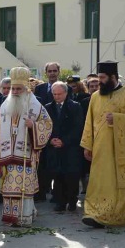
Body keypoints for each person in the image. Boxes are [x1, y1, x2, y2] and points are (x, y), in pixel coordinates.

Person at [80, 60, 125, 228]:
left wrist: (120, 119)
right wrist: (87, 145)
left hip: (123, 149)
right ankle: (94, 213)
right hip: (100, 148)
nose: (99, 81)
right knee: (99, 181)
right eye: (98, 77)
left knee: (119, 181)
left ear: (113, 77)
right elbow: (89, 122)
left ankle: (118, 214)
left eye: (103, 77)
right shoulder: (95, 96)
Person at [0, 67, 53, 227]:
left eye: (18, 88)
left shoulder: (35, 106)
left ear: (26, 89)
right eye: (13, 88)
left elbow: (47, 124)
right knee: (9, 186)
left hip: (26, 155)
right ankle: (11, 216)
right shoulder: (4, 105)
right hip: (7, 155)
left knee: (23, 187)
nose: (15, 91)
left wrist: (34, 126)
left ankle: (25, 216)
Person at [44, 82, 84, 212]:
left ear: (66, 93)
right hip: (54, 147)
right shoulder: (48, 108)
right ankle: (60, 202)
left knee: (71, 176)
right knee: (58, 175)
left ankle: (72, 200)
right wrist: (51, 140)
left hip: (70, 148)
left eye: (59, 94)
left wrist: (64, 141)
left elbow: (78, 128)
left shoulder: (75, 106)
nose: (57, 96)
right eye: (54, 94)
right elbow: (45, 127)